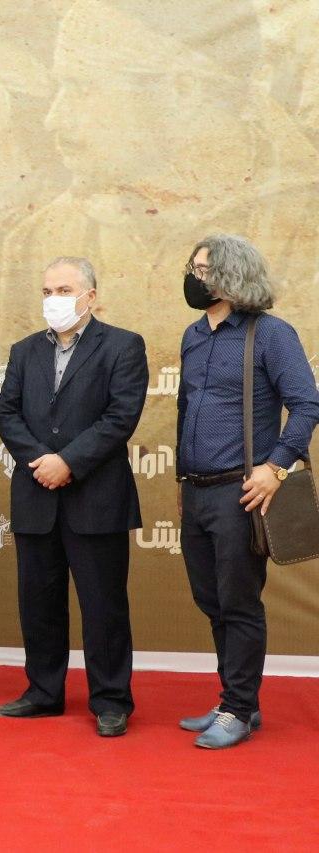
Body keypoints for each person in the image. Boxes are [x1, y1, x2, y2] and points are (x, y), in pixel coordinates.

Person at [0, 257, 148, 737]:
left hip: (96, 499)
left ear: (90, 296)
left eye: (63, 290)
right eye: (47, 291)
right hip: (36, 495)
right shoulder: (24, 351)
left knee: (104, 606)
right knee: (38, 603)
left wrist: (69, 462)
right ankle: (43, 692)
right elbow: (6, 412)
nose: (53, 300)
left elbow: (120, 417)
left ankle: (111, 700)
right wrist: (41, 459)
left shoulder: (123, 345)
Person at [175, 234, 319, 749]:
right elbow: (185, 409)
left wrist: (274, 468)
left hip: (241, 492)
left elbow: (306, 404)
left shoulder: (271, 334)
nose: (192, 277)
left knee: (238, 602)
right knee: (210, 599)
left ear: (231, 275)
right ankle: (238, 700)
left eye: (202, 270)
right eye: (192, 268)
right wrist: (180, 480)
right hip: (195, 491)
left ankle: (237, 710)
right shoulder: (193, 335)